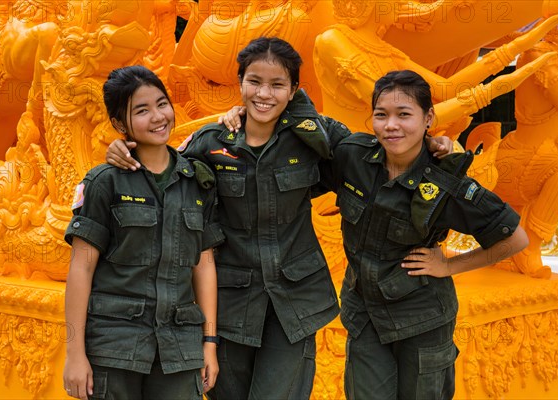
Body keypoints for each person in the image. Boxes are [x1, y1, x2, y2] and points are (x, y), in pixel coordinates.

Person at [106, 38, 451, 400]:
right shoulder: (211, 143)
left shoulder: (315, 136)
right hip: (230, 305)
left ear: (293, 90)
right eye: (254, 82)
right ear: (239, 83)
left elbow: (379, 154)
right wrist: (120, 147)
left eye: (277, 85)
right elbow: (164, 174)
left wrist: (435, 145)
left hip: (295, 302)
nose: (264, 94)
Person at [318, 70, 529, 400]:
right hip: (366, 317)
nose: (391, 125)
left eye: (404, 115)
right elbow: (299, 123)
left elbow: (515, 238)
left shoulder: (445, 182)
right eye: (381, 115)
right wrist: (241, 114)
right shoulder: (353, 157)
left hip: (423, 320)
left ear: (428, 117)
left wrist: (449, 266)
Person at [63, 65, 223, 400]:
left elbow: (203, 265)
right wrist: (75, 354)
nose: (158, 116)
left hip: (179, 350)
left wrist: (208, 343)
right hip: (115, 346)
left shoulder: (196, 181)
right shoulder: (105, 182)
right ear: (120, 125)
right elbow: (82, 267)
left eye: (162, 103)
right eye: (142, 110)